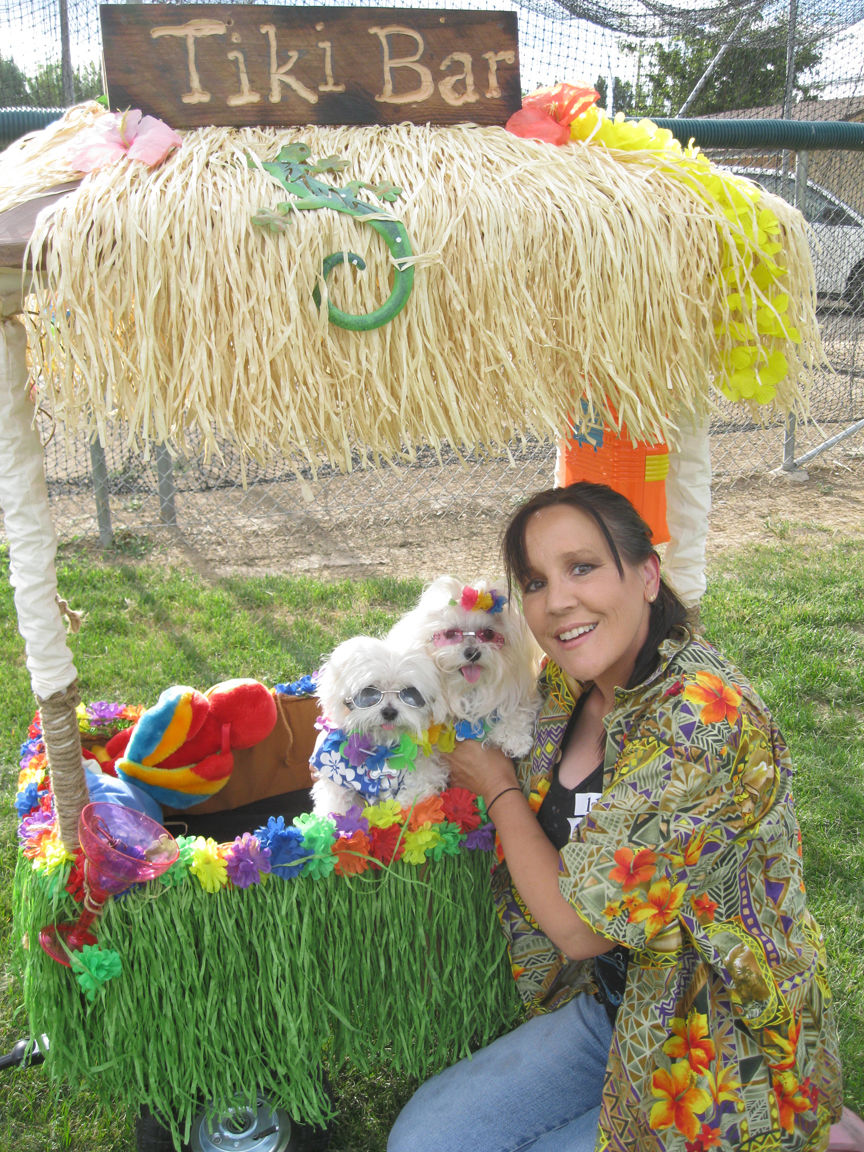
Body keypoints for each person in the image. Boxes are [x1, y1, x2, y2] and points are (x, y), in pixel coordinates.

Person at [388, 481, 842, 1152]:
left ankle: (784, 1110)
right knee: (423, 1141)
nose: (558, 601)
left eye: (583, 567)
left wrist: (497, 789)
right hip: (614, 1004)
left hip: (714, 1036)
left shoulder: (701, 719)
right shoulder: (570, 682)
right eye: (536, 582)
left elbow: (578, 929)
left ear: (648, 574)